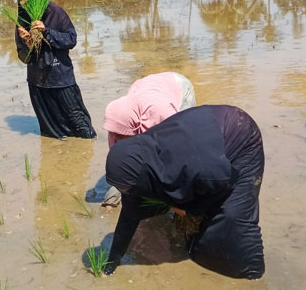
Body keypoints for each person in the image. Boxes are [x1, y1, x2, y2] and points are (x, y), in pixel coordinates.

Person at [104, 105, 265, 279]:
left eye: (126, 188)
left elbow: (226, 181)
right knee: (199, 245)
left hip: (241, 137)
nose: (125, 192)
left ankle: (254, 275)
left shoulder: (192, 167)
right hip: (206, 144)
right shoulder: (139, 166)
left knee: (231, 217)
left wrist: (190, 210)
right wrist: (113, 260)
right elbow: (129, 216)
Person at [14, 0, 96, 139]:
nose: (24, 1)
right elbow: (23, 57)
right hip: (37, 81)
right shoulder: (22, 20)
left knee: (78, 121)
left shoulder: (55, 12)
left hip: (60, 76)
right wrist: (28, 45)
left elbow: (71, 40)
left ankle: (87, 147)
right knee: (49, 129)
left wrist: (46, 31)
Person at [100, 72, 196, 206]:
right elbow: (120, 161)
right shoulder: (118, 119)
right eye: (117, 135)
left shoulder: (160, 113)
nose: (119, 138)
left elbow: (176, 145)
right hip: (148, 87)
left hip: (177, 86)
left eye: (122, 135)